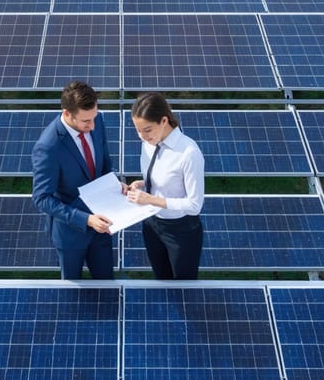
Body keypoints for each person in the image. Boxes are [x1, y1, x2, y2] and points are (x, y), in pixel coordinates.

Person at [32, 80, 115, 280]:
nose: (92, 125)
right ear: (67, 113)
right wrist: (86, 219)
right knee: (72, 295)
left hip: (102, 227)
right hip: (70, 235)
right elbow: (42, 198)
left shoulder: (96, 120)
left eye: (94, 117)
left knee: (106, 286)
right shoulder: (48, 147)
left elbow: (104, 164)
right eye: (86, 121)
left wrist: (114, 185)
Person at [124, 92, 205, 280]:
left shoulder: (189, 153)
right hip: (152, 225)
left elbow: (194, 205)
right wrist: (142, 184)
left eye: (147, 129)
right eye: (138, 130)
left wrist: (151, 199)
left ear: (163, 120)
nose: (142, 136)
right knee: (161, 282)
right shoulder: (148, 143)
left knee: (183, 287)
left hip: (181, 232)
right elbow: (165, 177)